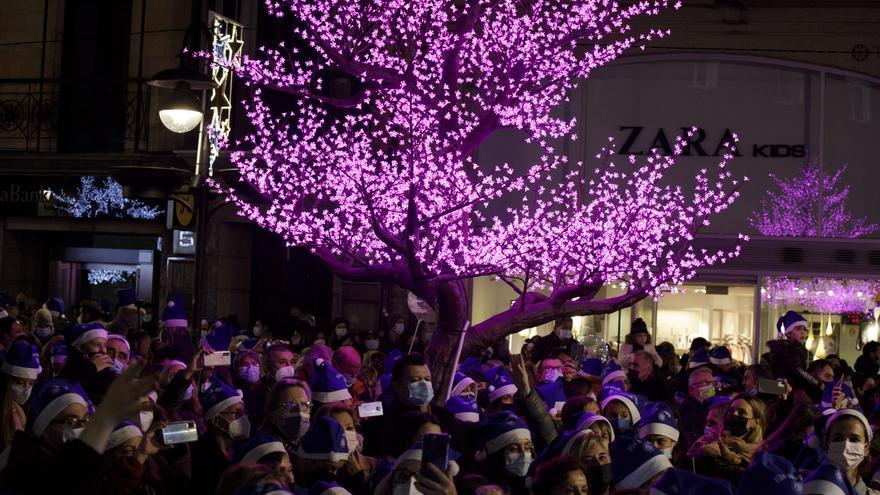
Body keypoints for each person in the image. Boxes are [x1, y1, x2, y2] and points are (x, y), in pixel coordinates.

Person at [190, 377, 252, 495]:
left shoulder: (244, 448)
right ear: (215, 420)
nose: (243, 417)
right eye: (235, 413)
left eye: (243, 412)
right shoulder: (201, 455)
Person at [803, 408, 873, 494]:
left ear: (866, 448)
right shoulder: (807, 489)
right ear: (827, 444)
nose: (845, 446)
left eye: (854, 440)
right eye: (838, 438)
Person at [472, 411, 534, 495]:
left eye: (527, 448)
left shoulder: (533, 485)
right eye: (513, 449)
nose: (524, 454)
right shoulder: (480, 490)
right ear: (496, 454)